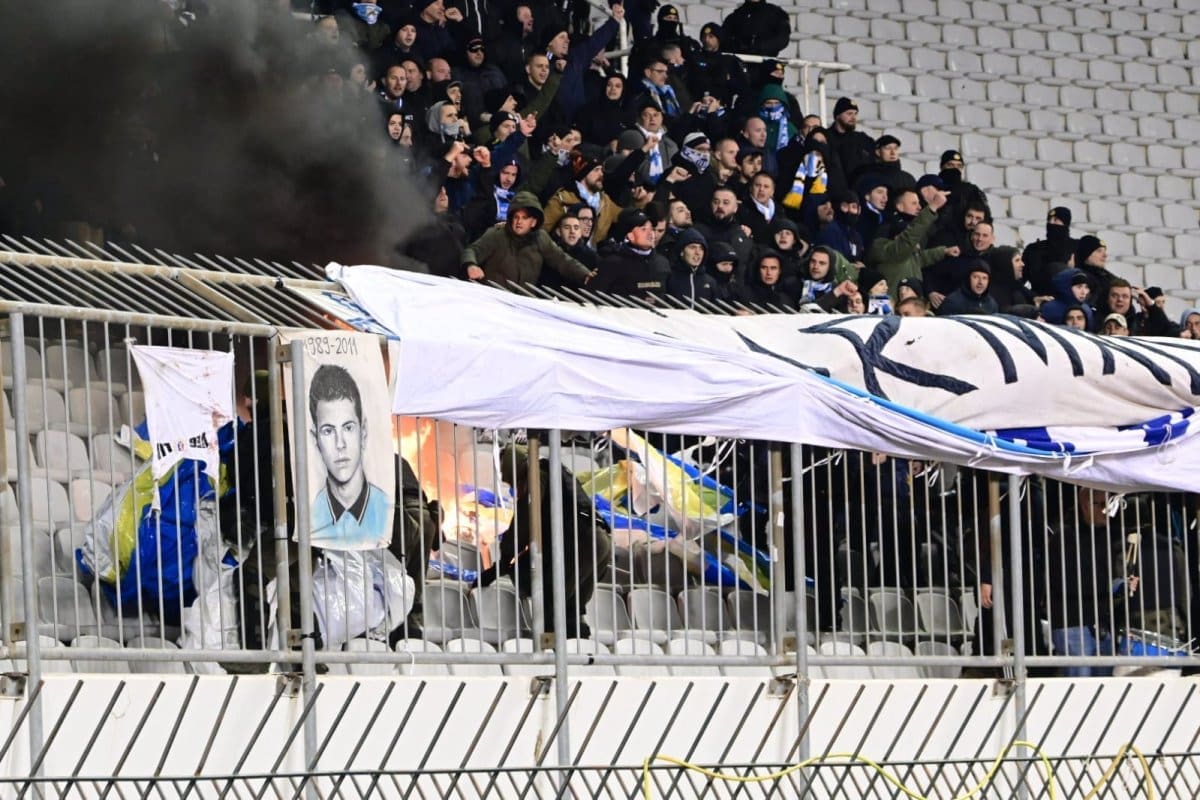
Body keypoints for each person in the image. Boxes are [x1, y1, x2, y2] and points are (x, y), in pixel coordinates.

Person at [308, 364, 392, 549]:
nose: (340, 444)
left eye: (348, 428)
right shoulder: (309, 517)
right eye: (328, 431)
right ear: (315, 439)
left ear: (363, 431)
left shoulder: (389, 513)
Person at [461, 191, 595, 286]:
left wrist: (585, 275)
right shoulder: (497, 234)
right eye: (516, 217)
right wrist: (471, 265)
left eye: (524, 218)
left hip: (523, 304)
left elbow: (562, 260)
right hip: (493, 299)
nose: (519, 222)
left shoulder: (541, 238)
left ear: (534, 222)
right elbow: (472, 250)